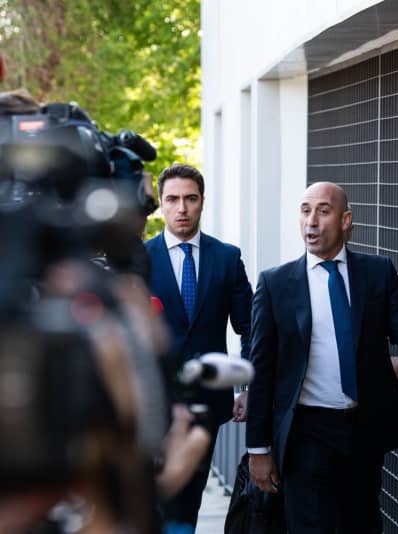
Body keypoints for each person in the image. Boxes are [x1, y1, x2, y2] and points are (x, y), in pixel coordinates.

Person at [246, 181, 398, 533]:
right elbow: (261, 369)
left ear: (346, 220)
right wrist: (259, 448)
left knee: (363, 524)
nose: (312, 222)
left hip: (363, 428)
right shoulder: (276, 284)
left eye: (323, 211)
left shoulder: (377, 272)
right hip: (305, 432)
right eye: (305, 211)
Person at [145, 163, 253, 530]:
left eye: (190, 199)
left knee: (187, 502)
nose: (182, 208)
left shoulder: (226, 257)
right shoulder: (138, 260)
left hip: (207, 403)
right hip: (149, 402)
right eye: (173, 199)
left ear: (202, 202)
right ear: (161, 204)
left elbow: (250, 327)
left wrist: (246, 387)